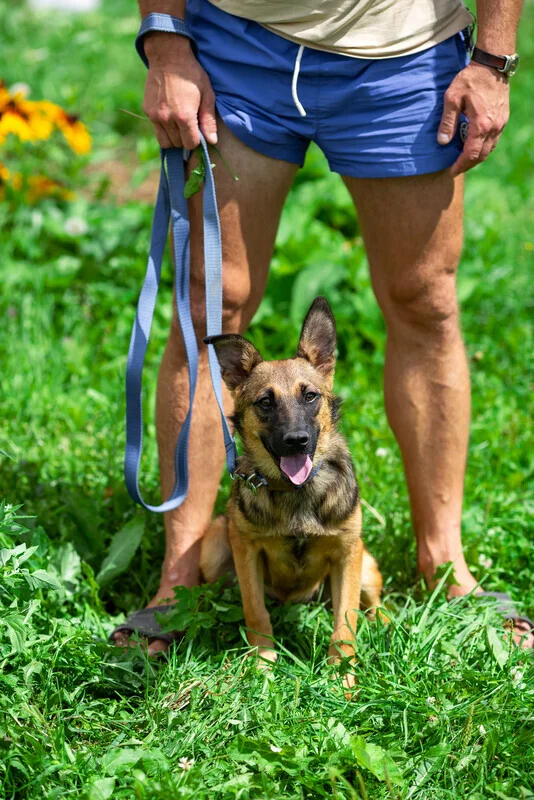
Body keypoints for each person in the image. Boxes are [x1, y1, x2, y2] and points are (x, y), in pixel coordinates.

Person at [113, 0, 532, 652]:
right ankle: (182, 581)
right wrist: (167, 39)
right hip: (238, 42)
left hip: (405, 50)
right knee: (210, 312)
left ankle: (444, 565)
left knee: (426, 302)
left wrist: (493, 59)